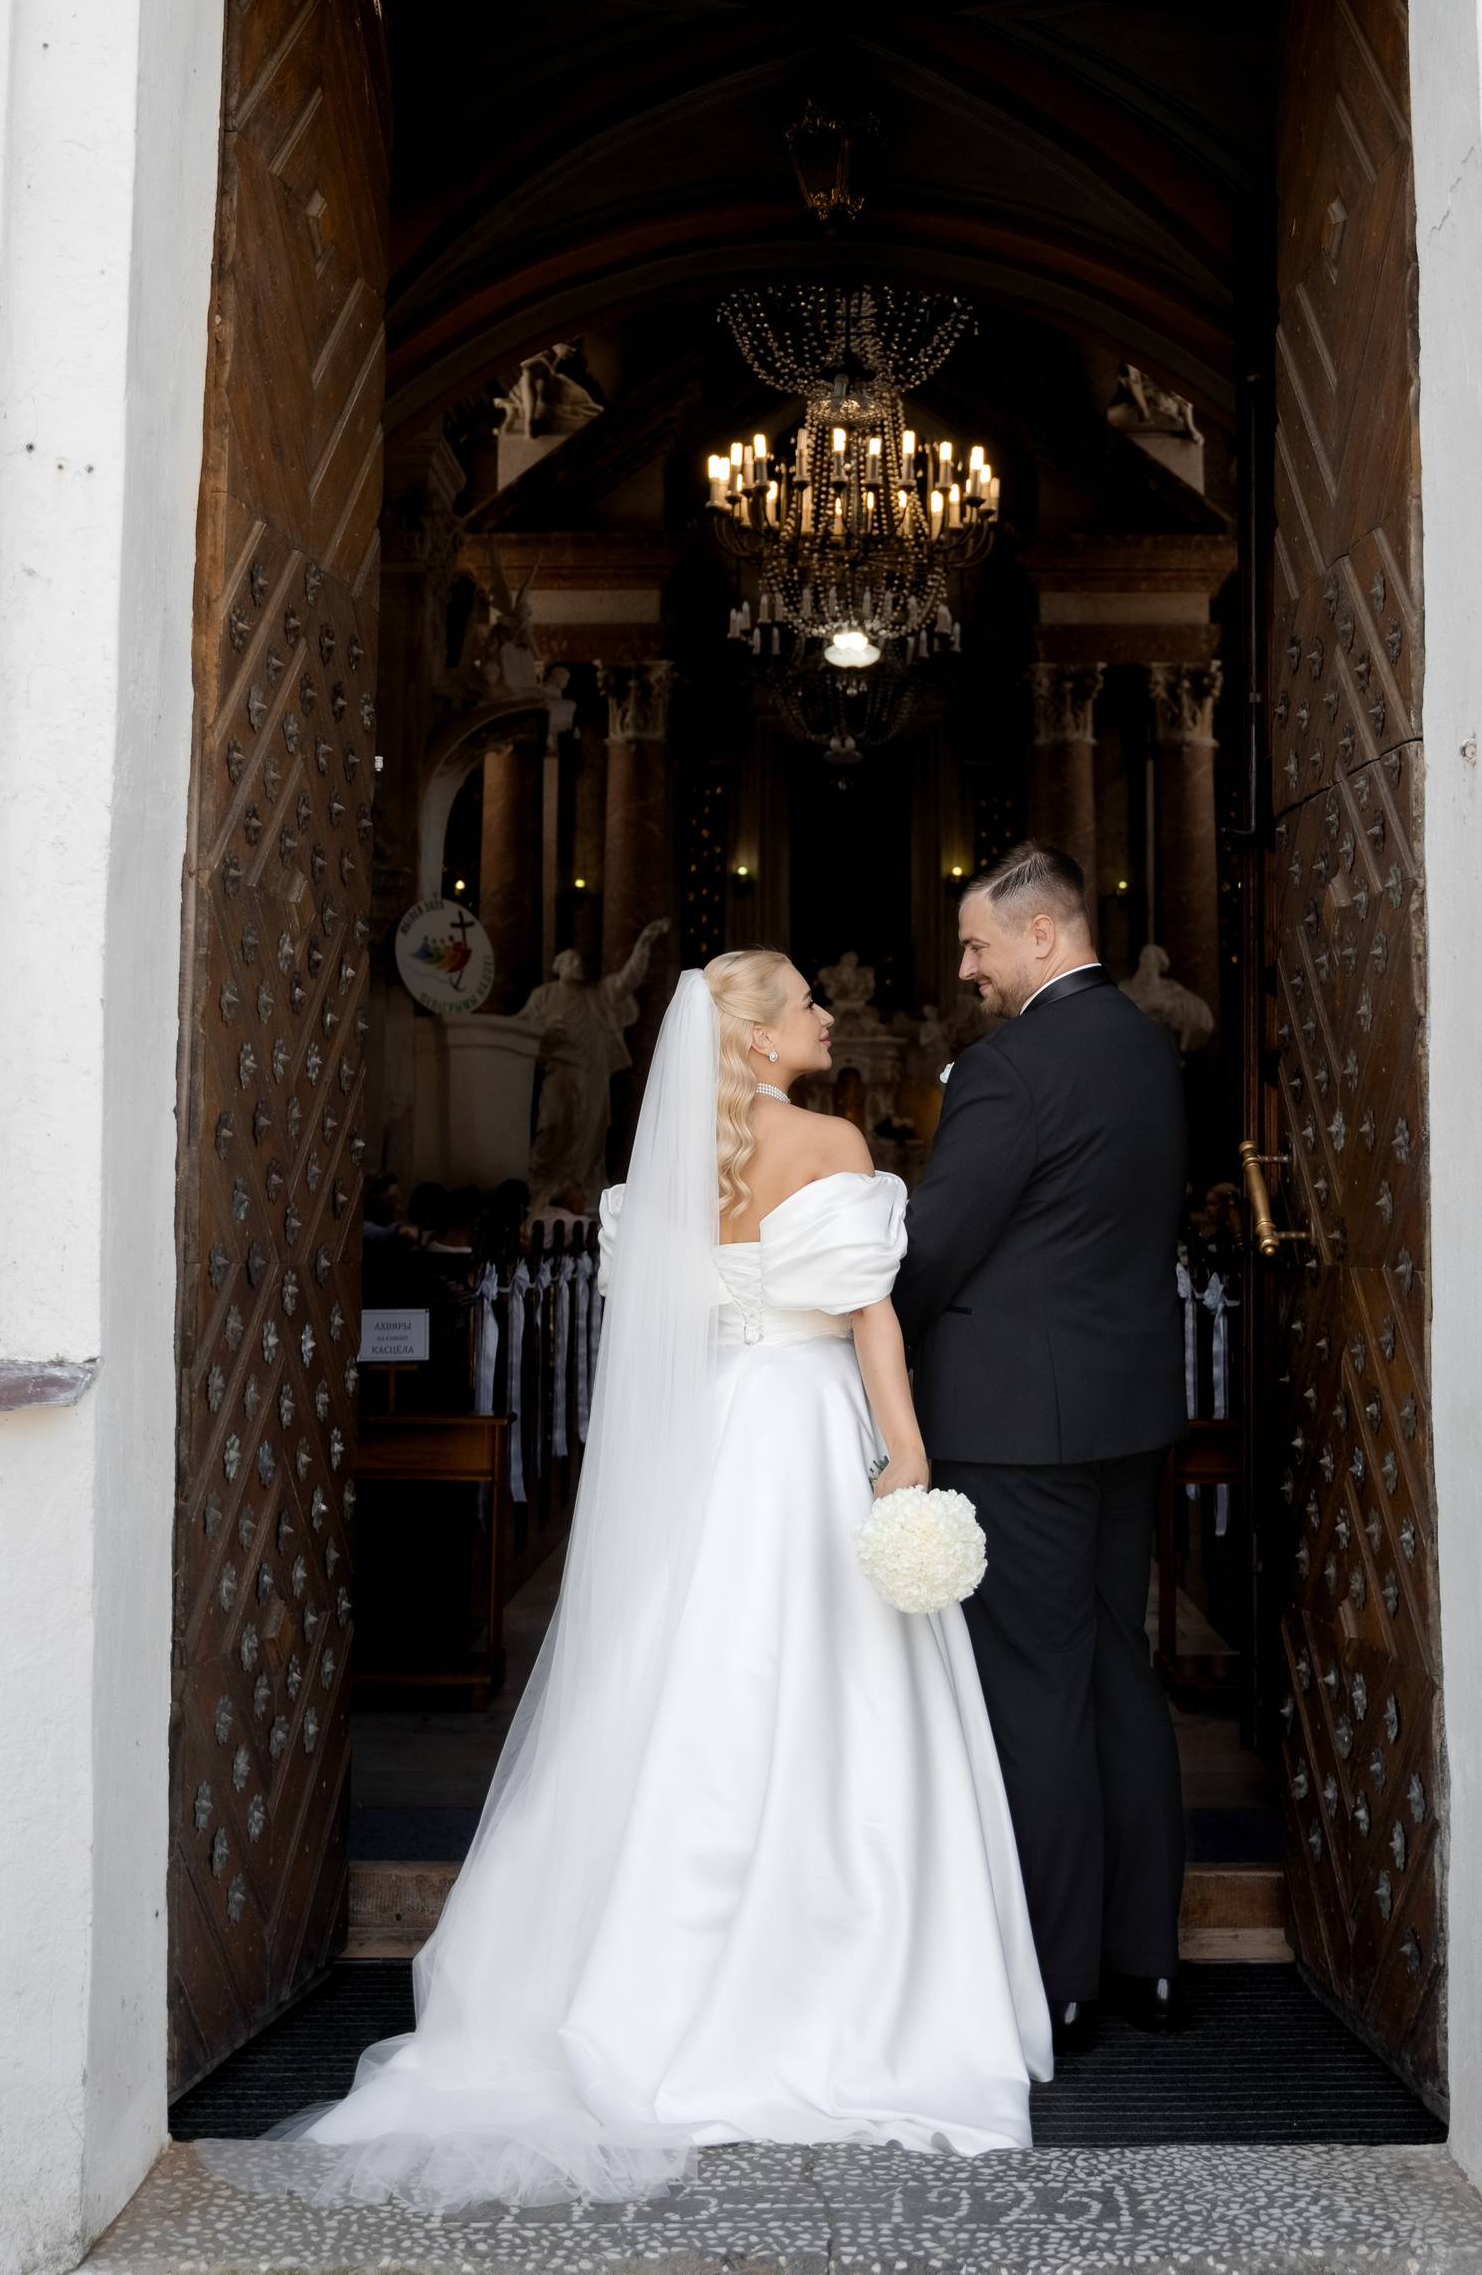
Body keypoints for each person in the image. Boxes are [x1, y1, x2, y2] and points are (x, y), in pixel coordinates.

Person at [203, 952, 1047, 2212]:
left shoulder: (665, 1176)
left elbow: (668, 1335)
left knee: (691, 1668)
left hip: (717, 1432)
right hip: (806, 1423)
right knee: (832, 1678)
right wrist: (908, 1455)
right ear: (758, 1040)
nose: (826, 1014)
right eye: (806, 1002)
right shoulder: (829, 1141)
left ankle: (632, 1967)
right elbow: (870, 1313)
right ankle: (840, 1981)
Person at [894, 840, 1189, 2040]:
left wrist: (871, 1345)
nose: (966, 968)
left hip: (1017, 1424)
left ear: (1043, 934)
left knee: (1035, 1687)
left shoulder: (1007, 1066)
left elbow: (937, 1243)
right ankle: (1147, 1959)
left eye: (977, 945)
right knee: (1119, 1666)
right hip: (1128, 1411)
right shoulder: (1149, 1049)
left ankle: (1057, 1977)